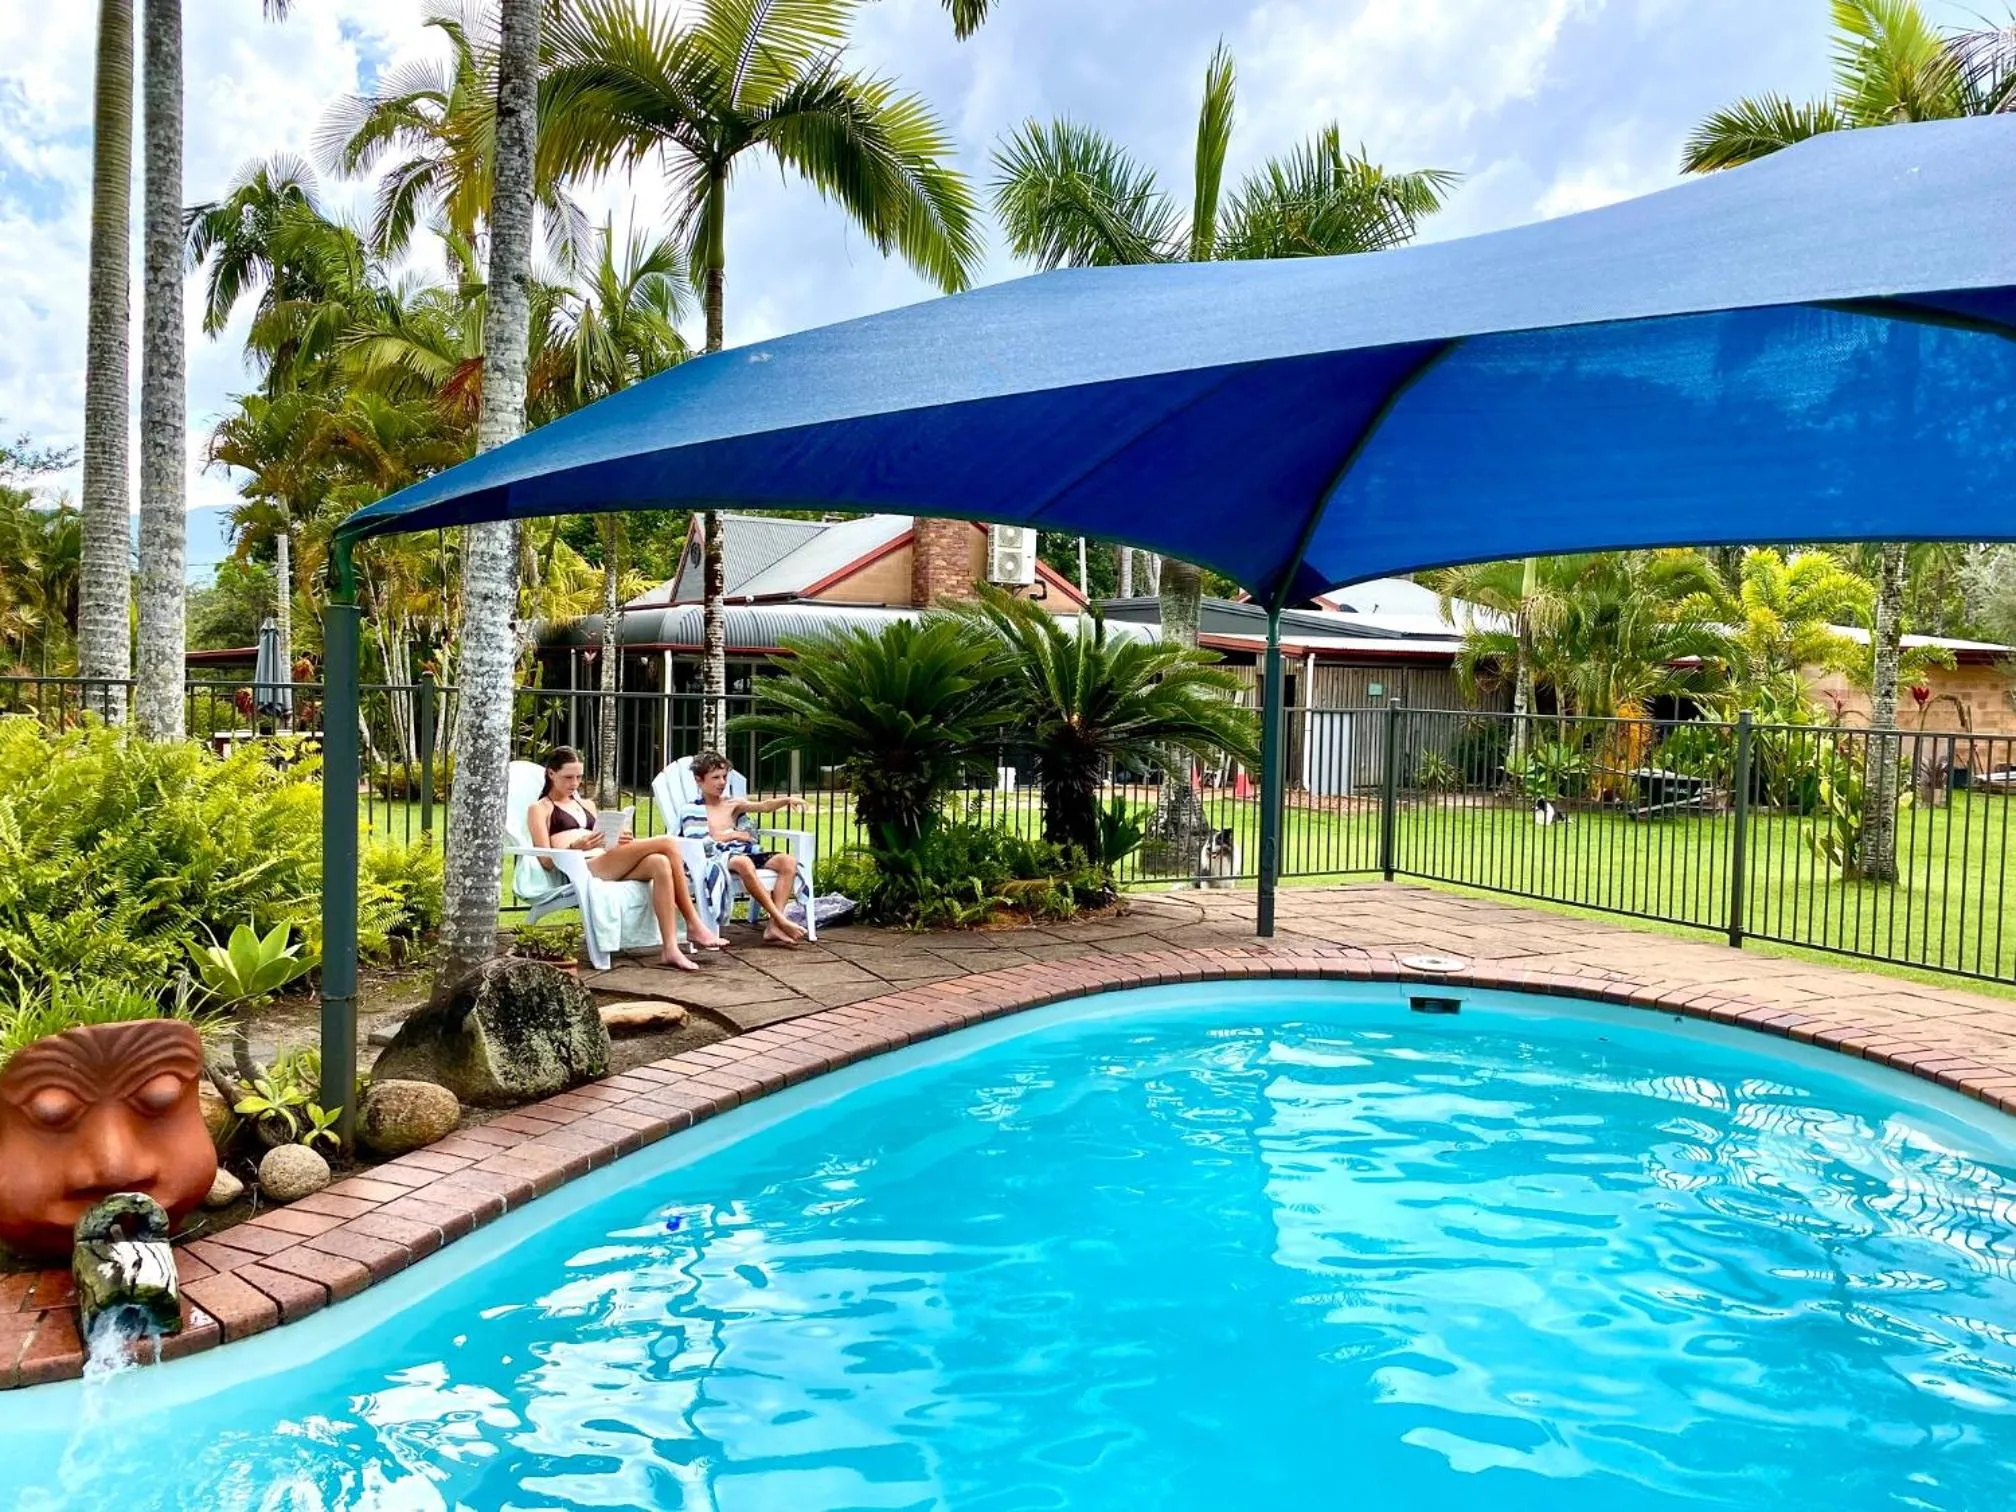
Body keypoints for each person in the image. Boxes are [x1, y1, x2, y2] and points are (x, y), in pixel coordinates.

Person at [527, 746, 725, 972]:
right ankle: (693, 922)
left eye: (579, 777)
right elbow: (545, 860)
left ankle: (670, 948)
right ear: (551, 773)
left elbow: (604, 841)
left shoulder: (587, 805)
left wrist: (620, 840)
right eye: (568, 777)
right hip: (582, 866)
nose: (575, 783)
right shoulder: (540, 808)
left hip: (605, 858)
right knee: (668, 843)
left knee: (660, 863)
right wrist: (575, 846)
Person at [679, 751, 810, 946]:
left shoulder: (733, 804)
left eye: (724, 777)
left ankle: (774, 926)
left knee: (788, 862)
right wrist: (733, 834)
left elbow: (764, 806)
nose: (722, 782)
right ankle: (781, 919)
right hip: (718, 856)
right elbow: (700, 841)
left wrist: (787, 800)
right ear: (699, 780)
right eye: (715, 777)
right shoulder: (691, 810)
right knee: (744, 862)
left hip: (743, 852)